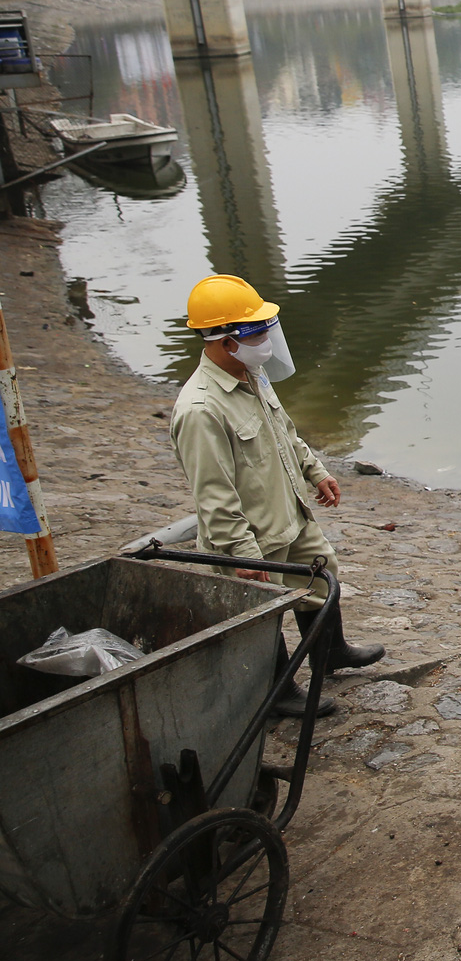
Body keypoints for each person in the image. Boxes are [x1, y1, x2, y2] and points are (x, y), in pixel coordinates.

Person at [172, 275, 383, 716]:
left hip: (289, 513)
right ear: (227, 342)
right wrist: (243, 558)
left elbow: (282, 429)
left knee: (322, 574)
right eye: (256, 332)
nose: (266, 340)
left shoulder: (252, 374)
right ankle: (279, 693)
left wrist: (315, 471)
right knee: (263, 614)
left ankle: (331, 653)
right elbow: (214, 496)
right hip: (253, 537)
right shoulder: (201, 411)